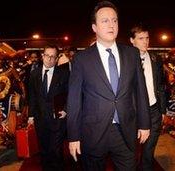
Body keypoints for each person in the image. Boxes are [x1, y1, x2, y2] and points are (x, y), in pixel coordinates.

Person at [67, 1, 150, 170]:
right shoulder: (82, 59)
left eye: (115, 20)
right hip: (93, 133)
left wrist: (144, 123)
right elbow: (74, 100)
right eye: (105, 21)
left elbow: (141, 91)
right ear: (94, 27)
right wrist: (73, 136)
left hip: (125, 131)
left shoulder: (131, 54)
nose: (111, 24)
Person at [129, 24, 166, 170]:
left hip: (153, 110)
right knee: (131, 150)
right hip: (133, 111)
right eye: (141, 38)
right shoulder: (125, 59)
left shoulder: (155, 59)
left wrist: (162, 110)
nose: (145, 42)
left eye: (147, 38)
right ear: (132, 40)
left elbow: (161, 86)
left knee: (149, 151)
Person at [28, 45, 69, 171]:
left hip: (57, 118)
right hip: (40, 119)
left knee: (56, 151)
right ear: (42, 56)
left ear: (57, 59)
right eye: (47, 55)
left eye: (53, 56)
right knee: (44, 150)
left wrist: (66, 109)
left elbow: (70, 93)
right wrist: (31, 115)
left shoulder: (64, 74)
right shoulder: (34, 74)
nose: (49, 59)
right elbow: (32, 96)